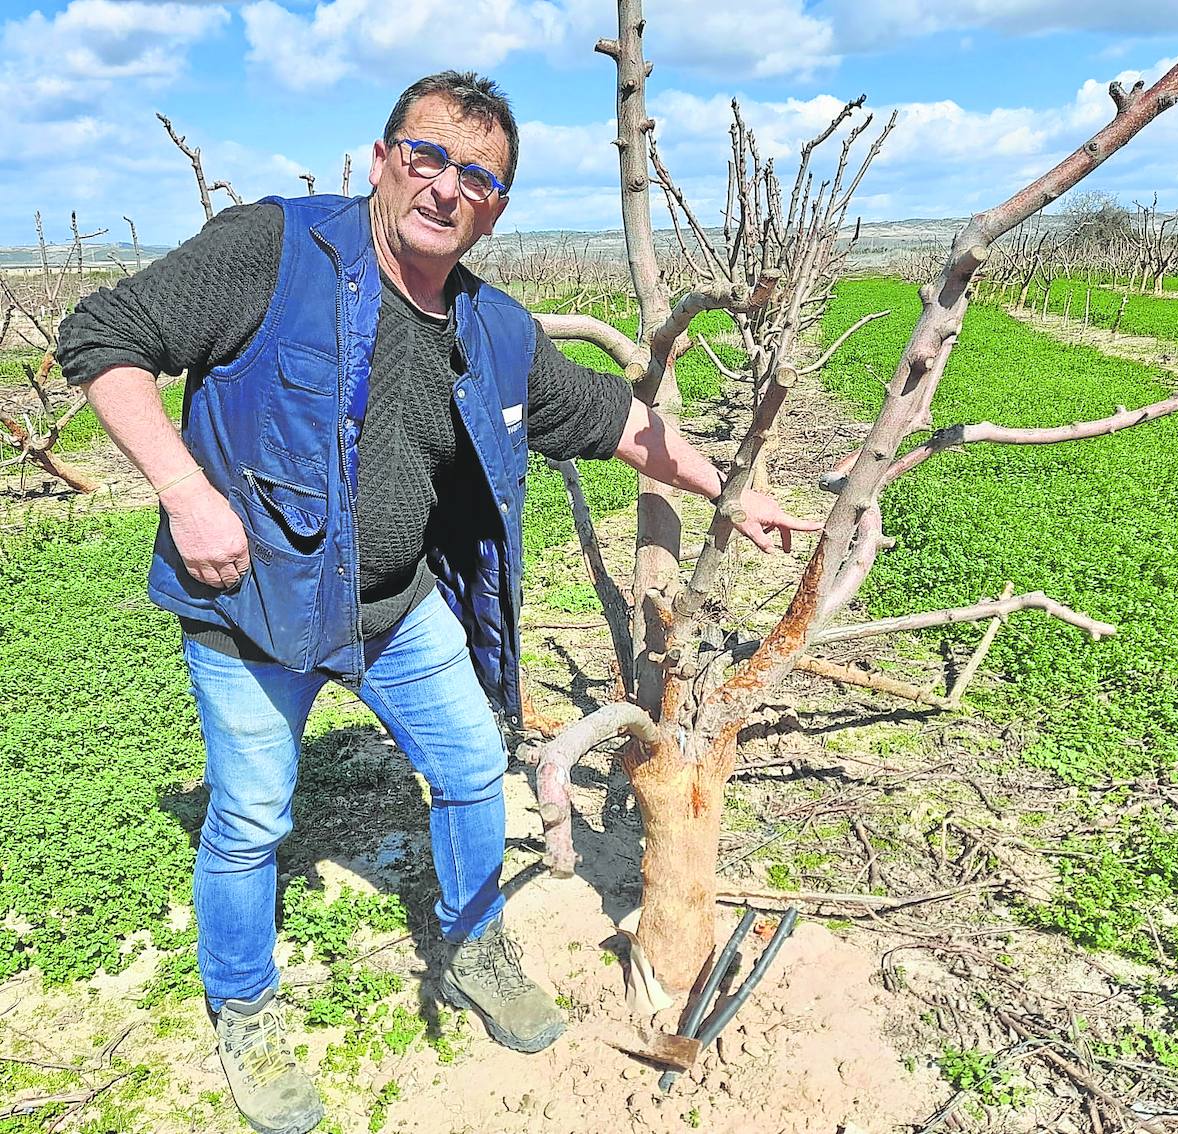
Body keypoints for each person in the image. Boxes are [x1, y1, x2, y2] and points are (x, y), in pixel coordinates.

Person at [57, 71, 817, 1134]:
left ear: (496, 209)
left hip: (396, 605)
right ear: (381, 160)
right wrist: (185, 491)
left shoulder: (493, 329)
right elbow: (101, 342)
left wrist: (743, 489)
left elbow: (619, 422)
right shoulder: (271, 254)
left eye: (480, 177)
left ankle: (473, 947)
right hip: (252, 605)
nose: (448, 186)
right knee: (249, 820)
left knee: (469, 770)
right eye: (428, 156)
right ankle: (242, 1005)